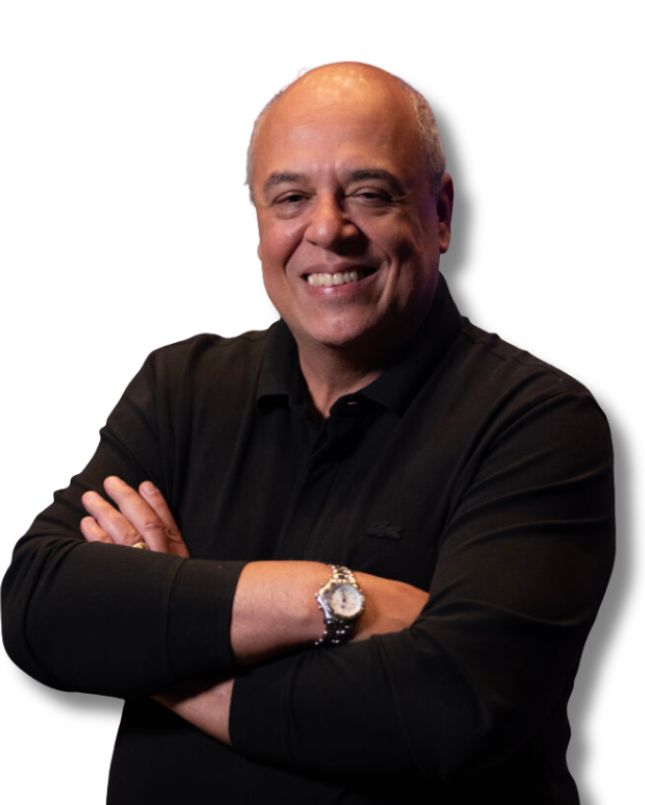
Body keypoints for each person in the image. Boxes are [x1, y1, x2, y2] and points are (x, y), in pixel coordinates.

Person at [1, 62, 614, 804]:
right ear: (260, 221)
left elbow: (450, 708)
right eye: (290, 197)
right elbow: (39, 606)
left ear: (441, 213)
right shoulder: (181, 388)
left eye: (370, 192)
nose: (327, 229)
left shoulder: (538, 422)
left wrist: (159, 642)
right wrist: (326, 598)